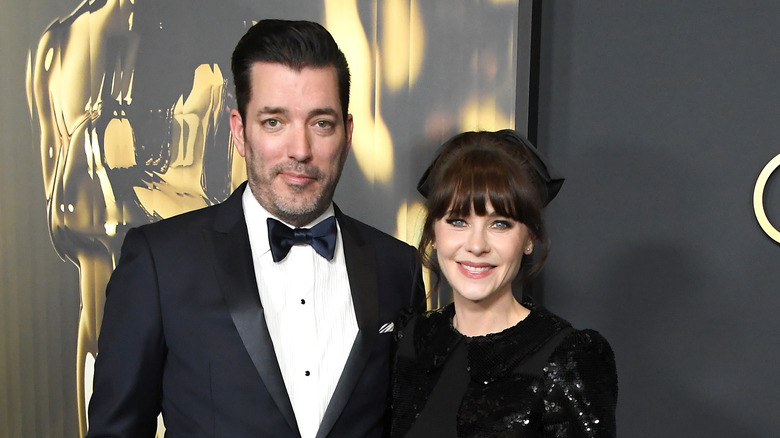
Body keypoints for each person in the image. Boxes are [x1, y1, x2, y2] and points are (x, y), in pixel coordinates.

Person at [86, 19, 425, 438]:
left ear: (347, 133)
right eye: (274, 122)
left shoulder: (398, 267)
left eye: (321, 123)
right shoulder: (160, 262)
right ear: (238, 132)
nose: (300, 150)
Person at [390, 130, 617, 437]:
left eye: (500, 224)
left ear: (529, 238)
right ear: (433, 232)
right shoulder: (412, 338)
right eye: (458, 221)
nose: (476, 245)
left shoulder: (566, 358)